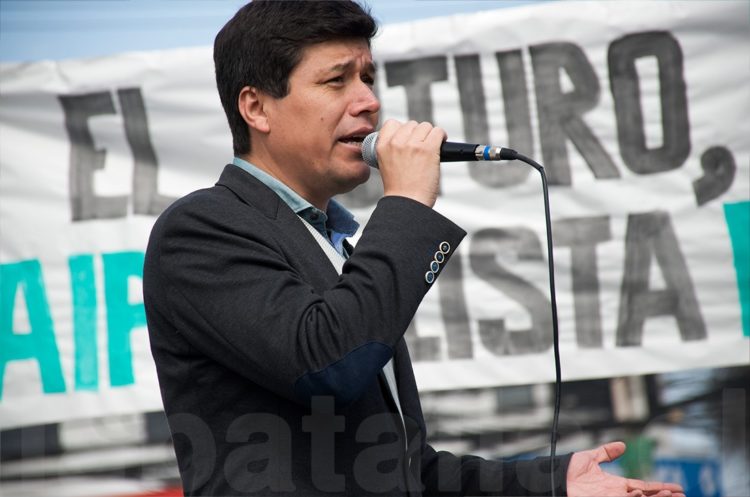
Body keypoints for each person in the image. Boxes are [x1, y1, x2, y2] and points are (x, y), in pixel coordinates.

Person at [143, 1, 686, 496]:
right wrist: (405, 202)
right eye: (337, 80)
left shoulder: (336, 245)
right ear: (257, 107)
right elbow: (327, 363)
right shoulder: (200, 229)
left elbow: (403, 471)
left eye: (368, 77)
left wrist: (552, 483)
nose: (369, 102)